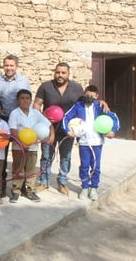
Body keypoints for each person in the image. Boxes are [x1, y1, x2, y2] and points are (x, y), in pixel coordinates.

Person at [33, 62, 84, 195]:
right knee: (46, 156)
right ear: (54, 72)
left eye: (63, 73)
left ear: (68, 74)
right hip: (48, 129)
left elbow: (85, 105)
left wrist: (102, 102)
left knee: (65, 157)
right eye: (58, 72)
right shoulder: (46, 86)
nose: (60, 75)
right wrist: (43, 116)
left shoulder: (77, 88)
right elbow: (36, 105)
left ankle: (62, 182)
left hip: (67, 130)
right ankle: (44, 182)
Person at [62, 85, 119, 201]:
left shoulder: (100, 106)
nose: (89, 98)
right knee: (84, 166)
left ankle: (93, 188)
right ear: (84, 94)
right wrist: (67, 130)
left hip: (97, 142)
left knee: (96, 166)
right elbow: (66, 117)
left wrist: (113, 131)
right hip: (84, 142)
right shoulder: (78, 106)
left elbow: (114, 117)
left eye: (92, 96)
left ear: (97, 96)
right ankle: (84, 187)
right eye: (87, 95)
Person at [0, 54, 31, 197]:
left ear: (16, 66)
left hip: (19, 122)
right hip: (2, 121)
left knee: (20, 154)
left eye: (11, 65)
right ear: (3, 66)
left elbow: (26, 100)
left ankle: (22, 186)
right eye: (6, 65)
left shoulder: (24, 81)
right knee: (0, 154)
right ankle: (0, 187)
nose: (8, 68)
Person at [8, 89, 53, 203]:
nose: (25, 100)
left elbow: (48, 124)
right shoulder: (15, 113)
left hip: (32, 147)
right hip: (18, 147)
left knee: (31, 170)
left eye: (27, 98)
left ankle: (29, 190)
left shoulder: (36, 113)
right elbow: (13, 130)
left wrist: (52, 135)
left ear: (31, 100)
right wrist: (21, 143)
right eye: (22, 98)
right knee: (18, 169)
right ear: (18, 100)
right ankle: (16, 191)